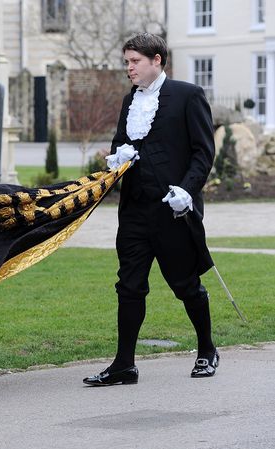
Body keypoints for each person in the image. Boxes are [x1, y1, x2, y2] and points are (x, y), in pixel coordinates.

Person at [83, 33, 218, 386]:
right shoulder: (131, 100)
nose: (129, 68)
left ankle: (207, 350)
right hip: (134, 210)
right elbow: (120, 143)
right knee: (129, 286)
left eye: (134, 61)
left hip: (174, 209)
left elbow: (204, 152)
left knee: (186, 284)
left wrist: (187, 191)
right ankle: (124, 364)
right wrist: (118, 156)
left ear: (157, 60)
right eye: (127, 61)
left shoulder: (188, 95)